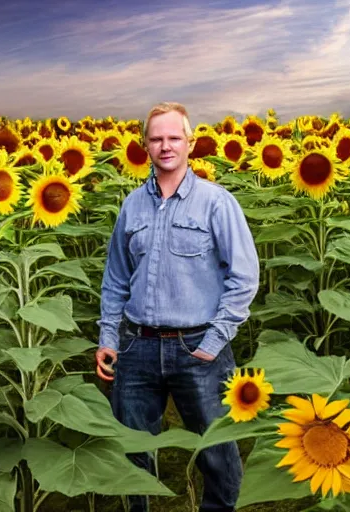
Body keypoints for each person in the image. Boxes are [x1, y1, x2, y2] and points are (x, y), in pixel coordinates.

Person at [95, 102, 260, 512]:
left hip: (198, 346)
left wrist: (216, 338)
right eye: (156, 138)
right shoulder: (132, 205)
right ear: (145, 146)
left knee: (218, 453)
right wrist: (108, 337)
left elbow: (244, 277)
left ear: (190, 143)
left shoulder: (216, 203)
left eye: (173, 138)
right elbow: (115, 279)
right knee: (132, 454)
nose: (165, 146)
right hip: (138, 347)